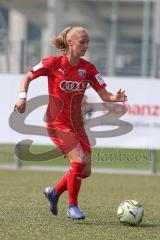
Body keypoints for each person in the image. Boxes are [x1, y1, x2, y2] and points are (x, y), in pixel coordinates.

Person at [14, 26, 127, 220]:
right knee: (79, 161)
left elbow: (104, 94)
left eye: (88, 42)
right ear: (70, 43)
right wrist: (22, 97)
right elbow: (28, 76)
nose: (86, 45)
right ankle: (72, 207)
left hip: (77, 125)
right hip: (57, 124)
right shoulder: (52, 63)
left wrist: (114, 97)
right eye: (83, 42)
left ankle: (54, 193)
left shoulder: (89, 69)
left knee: (85, 171)